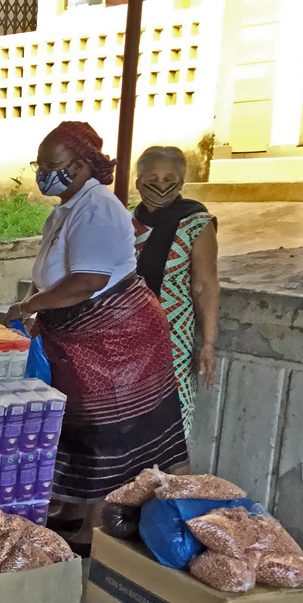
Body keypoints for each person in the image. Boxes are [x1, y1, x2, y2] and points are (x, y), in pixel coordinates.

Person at [5, 121, 189, 552]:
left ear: (83, 165)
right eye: (41, 164)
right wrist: (39, 305)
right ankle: (71, 510)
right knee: (72, 425)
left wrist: (29, 306)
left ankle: (95, 526)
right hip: (77, 335)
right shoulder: (67, 208)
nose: (44, 173)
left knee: (103, 429)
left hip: (115, 338)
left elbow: (89, 279)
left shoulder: (98, 208)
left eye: (55, 165)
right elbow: (58, 275)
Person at [133, 145, 220, 443]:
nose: (161, 184)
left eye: (170, 177)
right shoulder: (126, 223)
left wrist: (207, 344)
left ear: (181, 184)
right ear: (138, 182)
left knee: (168, 422)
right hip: (124, 336)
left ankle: (165, 484)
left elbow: (205, 286)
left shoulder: (196, 222)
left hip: (172, 337)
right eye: (153, 177)